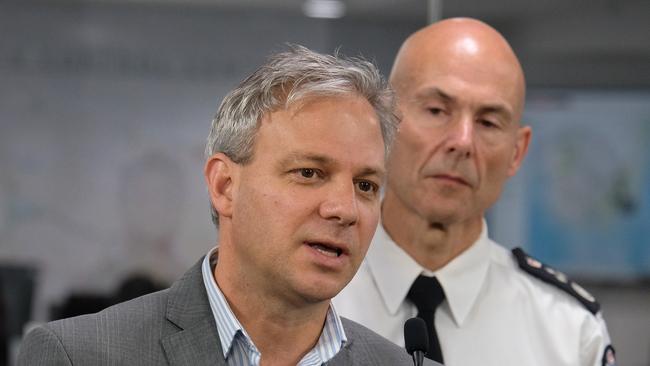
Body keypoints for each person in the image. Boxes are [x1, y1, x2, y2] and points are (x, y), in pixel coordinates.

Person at [17, 46, 440, 366]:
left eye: (366, 185)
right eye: (309, 173)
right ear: (224, 185)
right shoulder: (80, 356)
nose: (345, 209)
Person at [334, 18, 616, 366]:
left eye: (488, 122)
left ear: (517, 152)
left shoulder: (568, 331)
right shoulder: (311, 297)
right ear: (384, 123)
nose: (463, 142)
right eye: (437, 110)